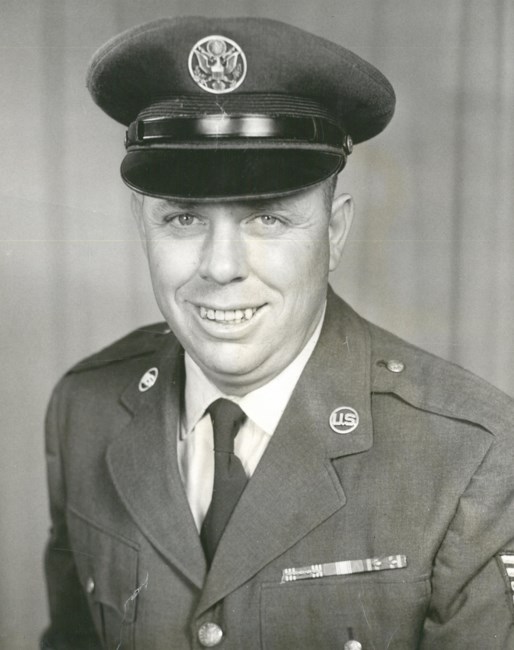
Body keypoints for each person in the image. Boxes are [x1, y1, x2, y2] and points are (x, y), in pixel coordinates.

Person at [41, 16, 514, 650]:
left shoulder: (472, 457)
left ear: (334, 233)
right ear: (141, 224)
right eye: (183, 219)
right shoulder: (84, 409)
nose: (221, 267)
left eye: (267, 218)